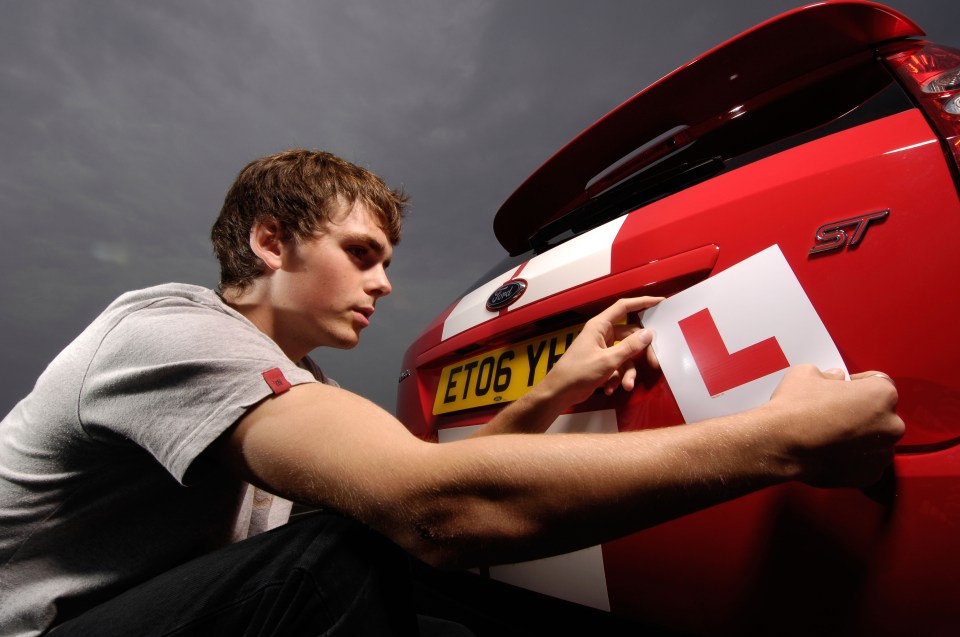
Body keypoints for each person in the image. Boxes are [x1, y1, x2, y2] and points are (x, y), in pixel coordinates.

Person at [0, 149, 903, 636]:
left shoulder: (292, 390)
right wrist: (780, 439)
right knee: (358, 549)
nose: (385, 283)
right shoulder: (170, 330)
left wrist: (557, 387)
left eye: (387, 261)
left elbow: (423, 483)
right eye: (362, 254)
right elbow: (435, 511)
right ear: (271, 243)